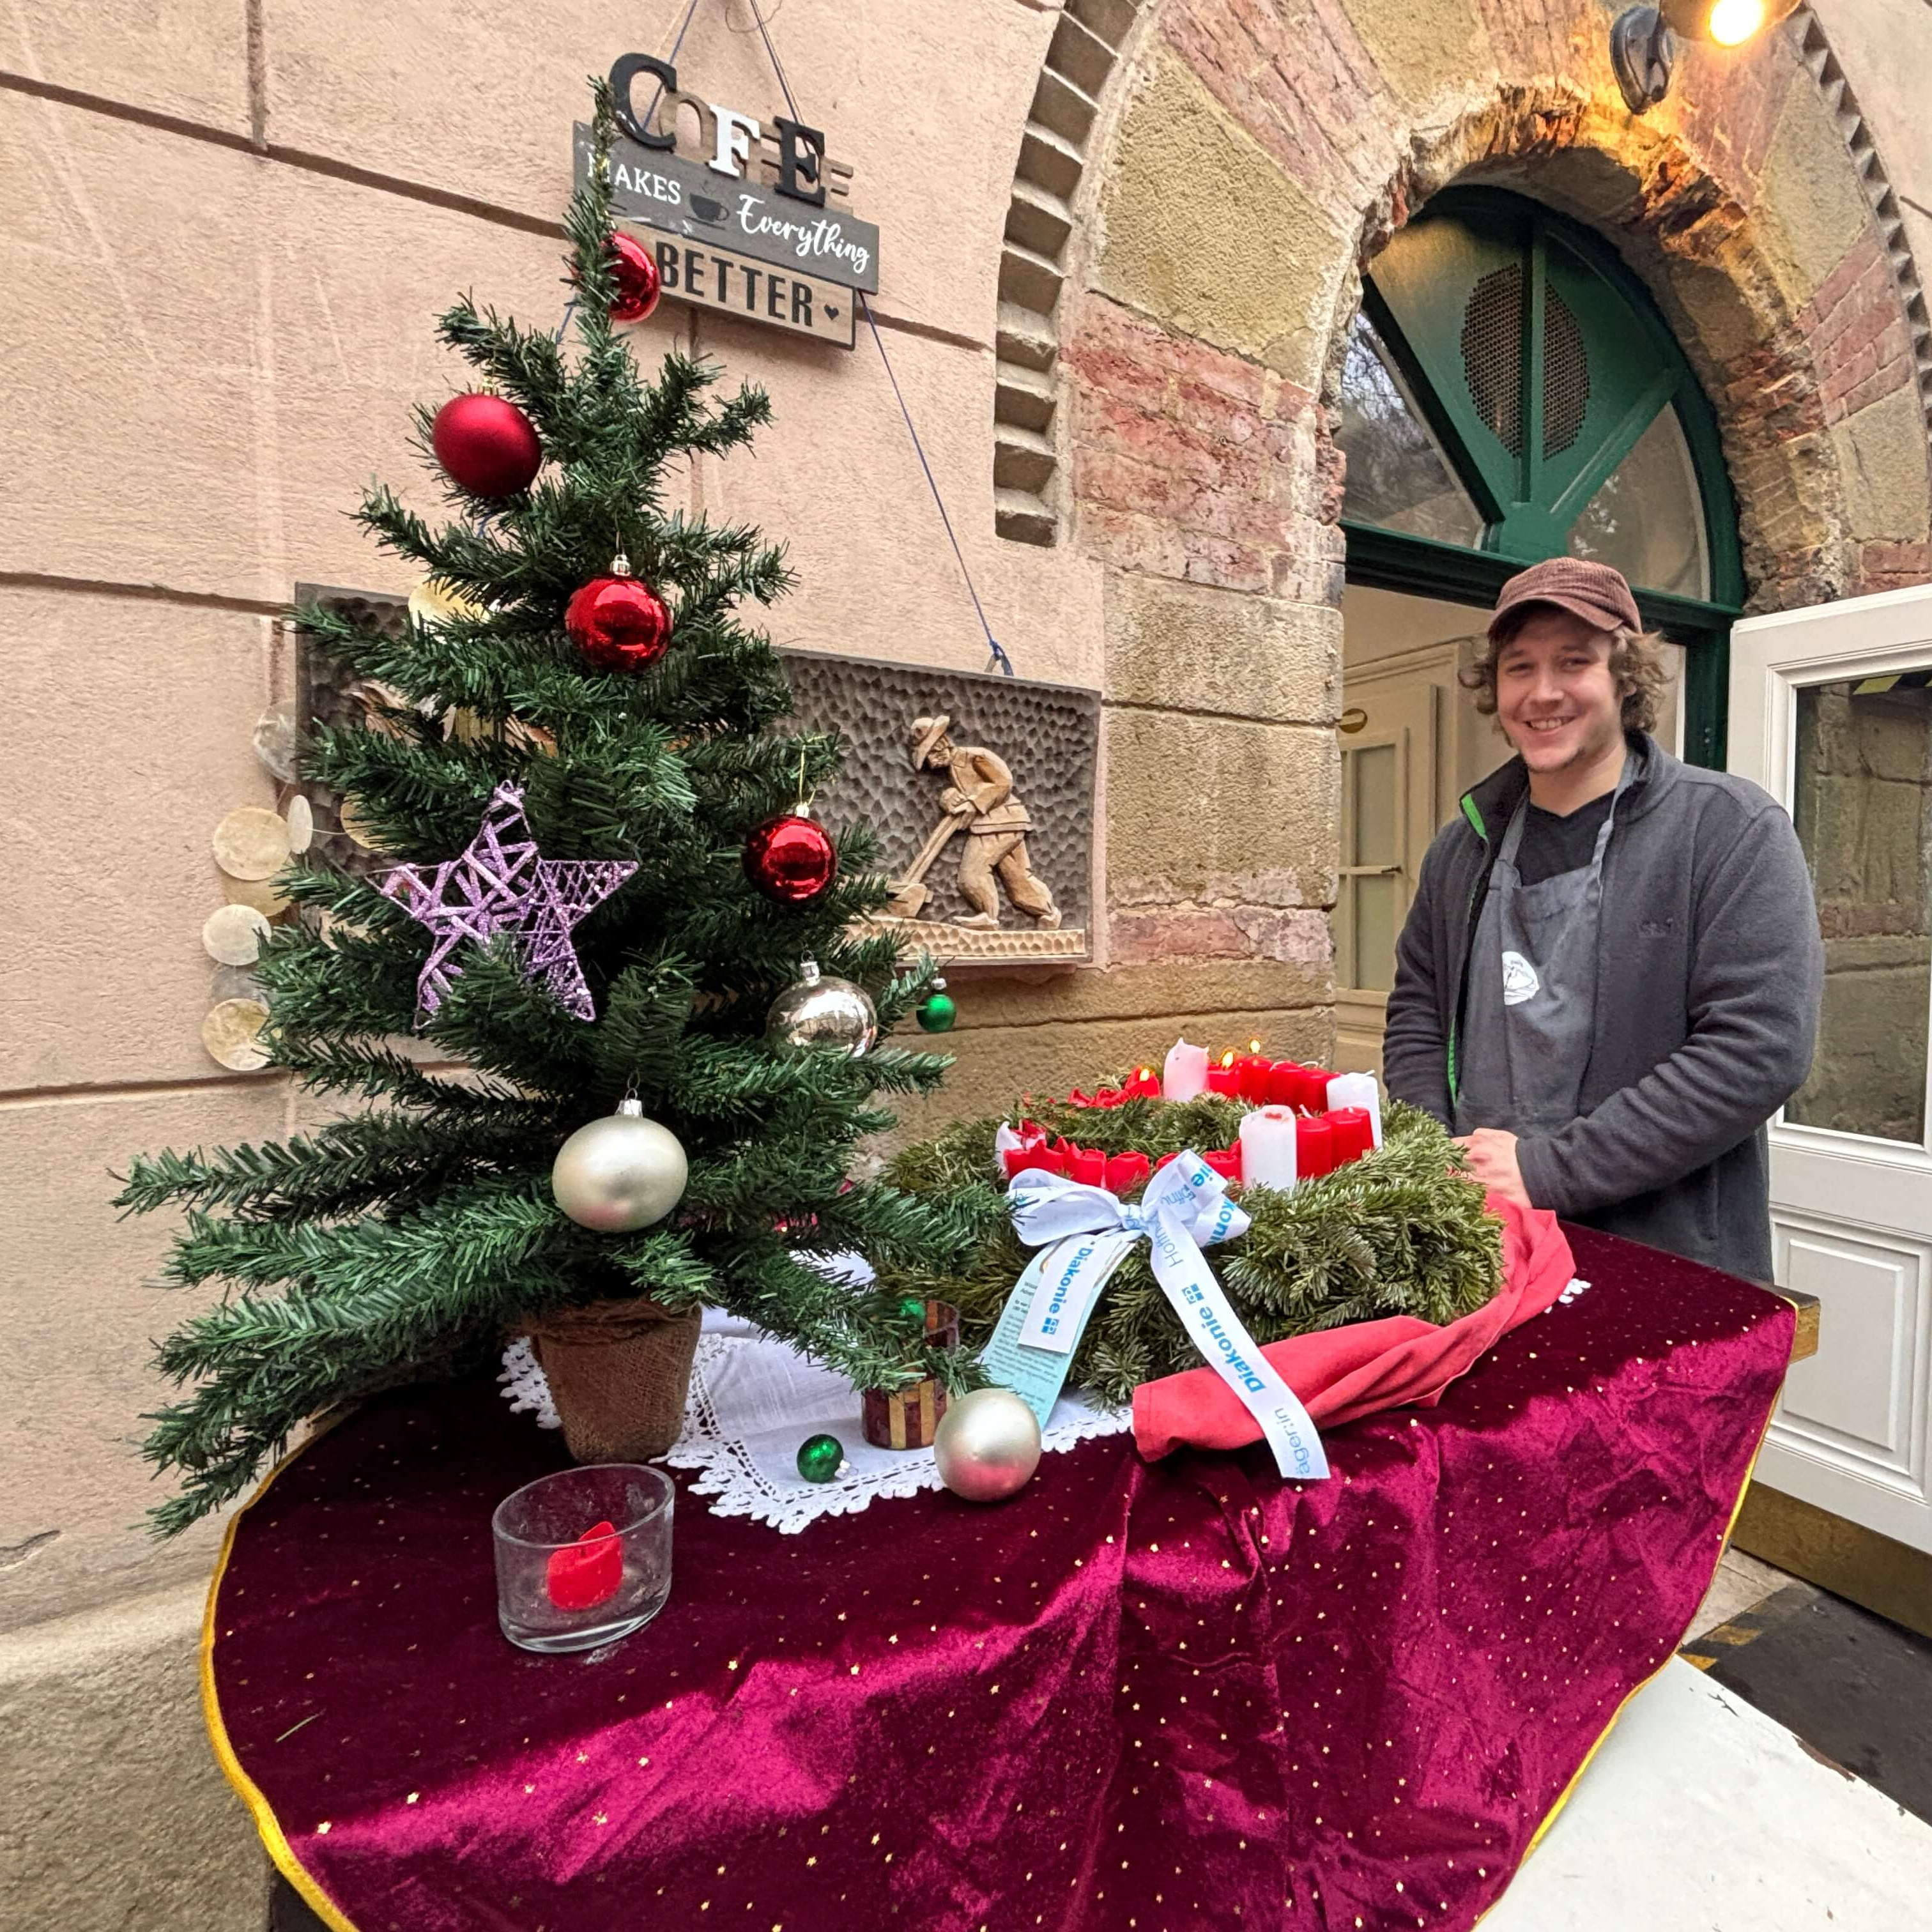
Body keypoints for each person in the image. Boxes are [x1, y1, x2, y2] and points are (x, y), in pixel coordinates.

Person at [1381, 557, 1823, 1282]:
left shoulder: (1728, 830)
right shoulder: (1462, 847)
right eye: (1519, 667)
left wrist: (1549, 1169)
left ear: (1624, 678)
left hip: (1668, 1260)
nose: (1543, 692)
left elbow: (1757, 1049)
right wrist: (1437, 1158)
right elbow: (1418, 1016)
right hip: (1485, 1248)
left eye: (1574, 662)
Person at [907, 714, 1061, 929]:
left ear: (944, 743)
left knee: (971, 874)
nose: (931, 763)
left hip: (999, 823)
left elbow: (1004, 782)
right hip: (1003, 824)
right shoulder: (954, 769)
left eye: (931, 753)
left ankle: (989, 917)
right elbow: (966, 790)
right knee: (1019, 884)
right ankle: (1049, 914)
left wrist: (974, 802)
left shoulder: (975, 756)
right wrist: (949, 798)